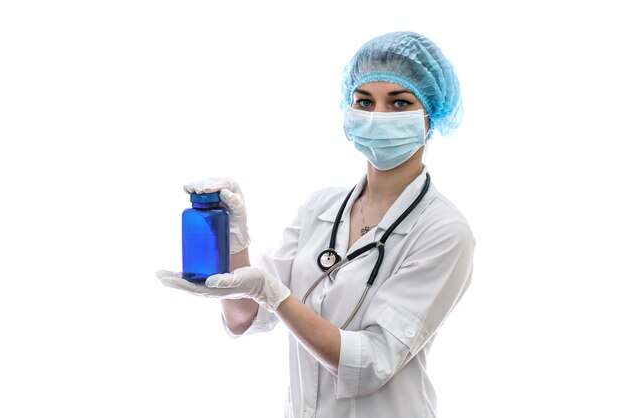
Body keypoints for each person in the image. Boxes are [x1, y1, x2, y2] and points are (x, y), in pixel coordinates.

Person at [157, 31, 475, 418]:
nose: (378, 116)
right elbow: (244, 317)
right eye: (364, 101)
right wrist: (235, 243)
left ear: (431, 118)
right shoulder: (320, 207)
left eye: (399, 102)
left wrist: (274, 294)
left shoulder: (444, 232)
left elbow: (370, 363)